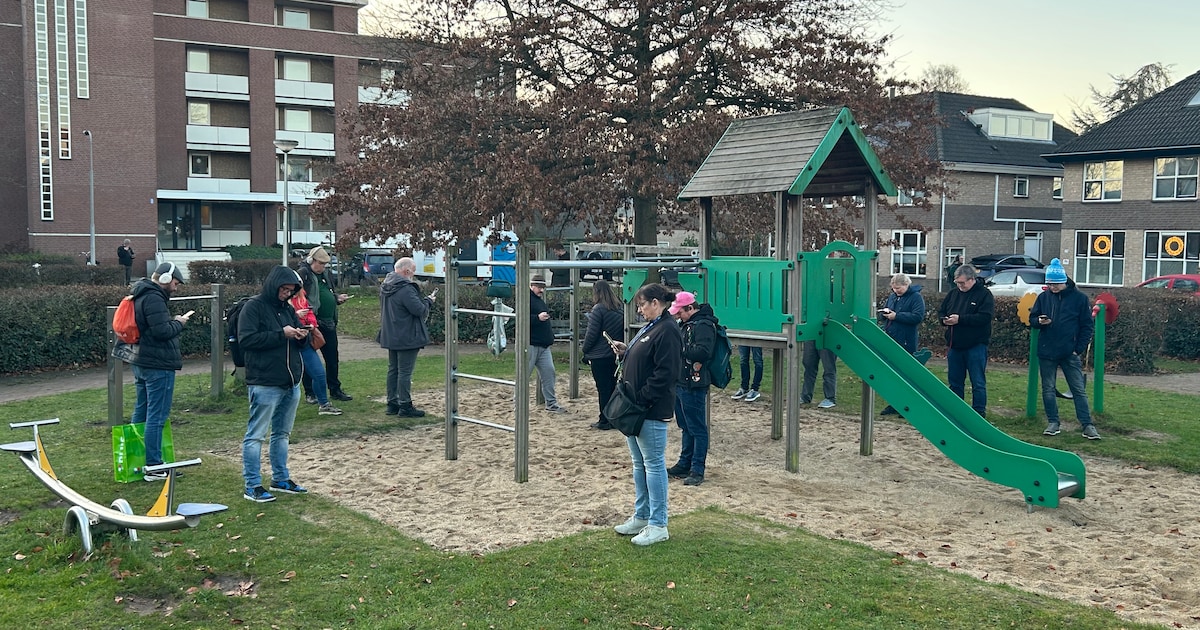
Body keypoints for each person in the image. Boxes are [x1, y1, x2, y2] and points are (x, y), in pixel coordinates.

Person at [609, 283, 682, 546]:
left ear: (655, 302)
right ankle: (642, 515)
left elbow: (666, 372)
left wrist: (642, 399)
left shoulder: (668, 329)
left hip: (649, 409)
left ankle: (658, 523)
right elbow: (646, 357)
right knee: (639, 463)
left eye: (642, 305)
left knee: (653, 464)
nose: (639, 310)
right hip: (636, 407)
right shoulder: (651, 327)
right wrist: (626, 350)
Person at [238, 266, 311, 503]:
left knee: (282, 433)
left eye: (291, 290)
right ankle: (252, 485)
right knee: (256, 435)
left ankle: (280, 478)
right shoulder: (253, 307)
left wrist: (302, 335)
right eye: (284, 289)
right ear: (274, 285)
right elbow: (247, 340)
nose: (287, 293)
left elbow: (294, 339)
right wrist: (282, 334)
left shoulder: (287, 309)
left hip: (290, 382)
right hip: (265, 381)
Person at [124, 262, 189, 481]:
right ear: (164, 279)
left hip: (141, 361)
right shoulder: (154, 298)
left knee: (141, 410)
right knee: (156, 415)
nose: (176, 288)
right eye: (175, 283)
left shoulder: (140, 293)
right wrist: (179, 323)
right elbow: (162, 331)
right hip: (157, 364)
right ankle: (154, 466)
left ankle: (135, 460)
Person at [1031, 259, 1100, 440]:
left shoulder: (1079, 299)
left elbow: (1087, 325)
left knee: (1078, 389)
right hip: (1047, 351)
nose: (1052, 287)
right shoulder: (1043, 298)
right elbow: (1033, 319)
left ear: (1064, 281)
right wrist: (1039, 321)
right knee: (1048, 388)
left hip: (1069, 352)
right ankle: (1053, 422)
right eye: (1049, 284)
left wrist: (1078, 349)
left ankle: (1087, 424)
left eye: (1055, 284)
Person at [668, 291, 718, 487]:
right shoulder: (688, 324)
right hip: (682, 380)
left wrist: (679, 349)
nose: (678, 316)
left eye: (680, 312)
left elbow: (704, 352)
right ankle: (685, 462)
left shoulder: (704, 325)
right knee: (686, 425)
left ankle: (697, 468)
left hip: (694, 383)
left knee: (697, 427)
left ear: (690, 308)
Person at [379, 257, 437, 417]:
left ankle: (392, 403)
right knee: (404, 371)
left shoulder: (386, 285)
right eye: (413, 270)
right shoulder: (405, 288)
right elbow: (418, 310)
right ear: (407, 271)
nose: (414, 274)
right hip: (406, 334)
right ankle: (405, 405)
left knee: (393, 369)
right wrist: (428, 301)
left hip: (391, 333)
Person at [297, 246, 353, 403]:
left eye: (325, 264)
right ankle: (310, 393)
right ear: (312, 261)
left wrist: (336, 298)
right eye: (320, 263)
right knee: (309, 358)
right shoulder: (303, 274)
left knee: (332, 357)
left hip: (328, 322)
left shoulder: (326, 274)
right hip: (311, 323)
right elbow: (298, 296)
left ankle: (335, 389)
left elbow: (327, 292)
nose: (323, 267)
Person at [938, 264, 995, 416]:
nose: (959, 285)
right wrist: (944, 320)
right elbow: (942, 311)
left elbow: (985, 317)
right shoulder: (953, 294)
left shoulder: (984, 295)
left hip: (976, 345)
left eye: (962, 283)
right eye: (957, 282)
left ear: (972, 279)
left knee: (977, 382)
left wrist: (961, 319)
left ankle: (979, 412)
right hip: (955, 345)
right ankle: (957, 411)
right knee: (955, 382)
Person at [877, 273, 926, 415]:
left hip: (906, 340)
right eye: (893, 288)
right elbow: (887, 312)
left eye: (898, 288)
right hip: (891, 338)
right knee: (893, 374)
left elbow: (917, 316)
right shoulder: (892, 297)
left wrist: (896, 316)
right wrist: (884, 314)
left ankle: (908, 405)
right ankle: (894, 404)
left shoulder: (916, 297)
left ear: (906, 285)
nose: (895, 291)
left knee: (906, 374)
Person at [289, 287, 342, 416]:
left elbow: (310, 312)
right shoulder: (280, 302)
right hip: (287, 343)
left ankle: (323, 404)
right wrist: (296, 315)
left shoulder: (302, 298)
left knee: (319, 374)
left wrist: (312, 324)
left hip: (304, 340)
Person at [581, 280, 624, 430]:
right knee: (612, 387)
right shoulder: (620, 308)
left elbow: (591, 334)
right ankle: (613, 417)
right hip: (614, 353)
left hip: (599, 355)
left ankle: (604, 419)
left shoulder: (598, 309)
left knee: (603, 389)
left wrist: (585, 350)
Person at [529, 274, 568, 413]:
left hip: (543, 345)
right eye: (539, 287)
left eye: (543, 288)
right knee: (524, 375)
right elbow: (521, 318)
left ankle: (551, 403)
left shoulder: (539, 300)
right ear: (531, 286)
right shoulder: (525, 299)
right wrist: (537, 318)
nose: (541, 290)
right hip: (530, 344)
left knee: (549, 373)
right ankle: (518, 404)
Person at [801, 341, 837, 408]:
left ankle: (830, 398)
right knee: (808, 366)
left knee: (828, 367)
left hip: (828, 337)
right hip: (811, 335)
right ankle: (805, 396)